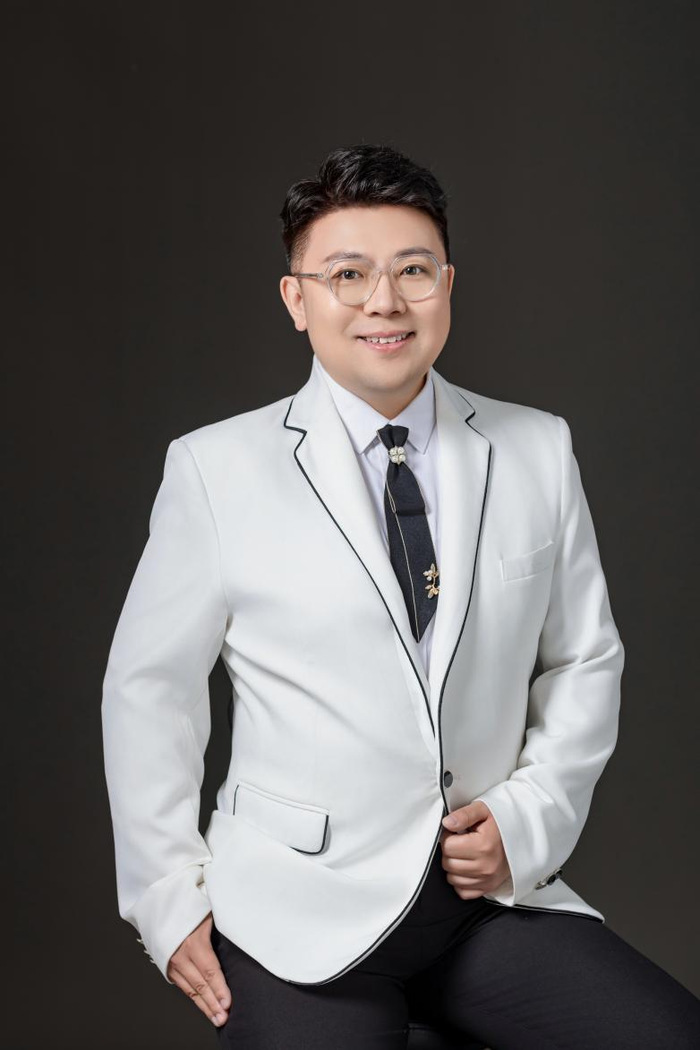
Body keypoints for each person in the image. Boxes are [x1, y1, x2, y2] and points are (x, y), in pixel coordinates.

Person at [101, 143, 700, 1048]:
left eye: (413, 271)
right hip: (293, 903)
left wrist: (527, 818)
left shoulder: (536, 449)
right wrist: (165, 897)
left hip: (480, 896)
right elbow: (149, 691)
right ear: (296, 299)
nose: (384, 301)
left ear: (447, 285)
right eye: (348, 275)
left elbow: (585, 658)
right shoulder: (216, 469)